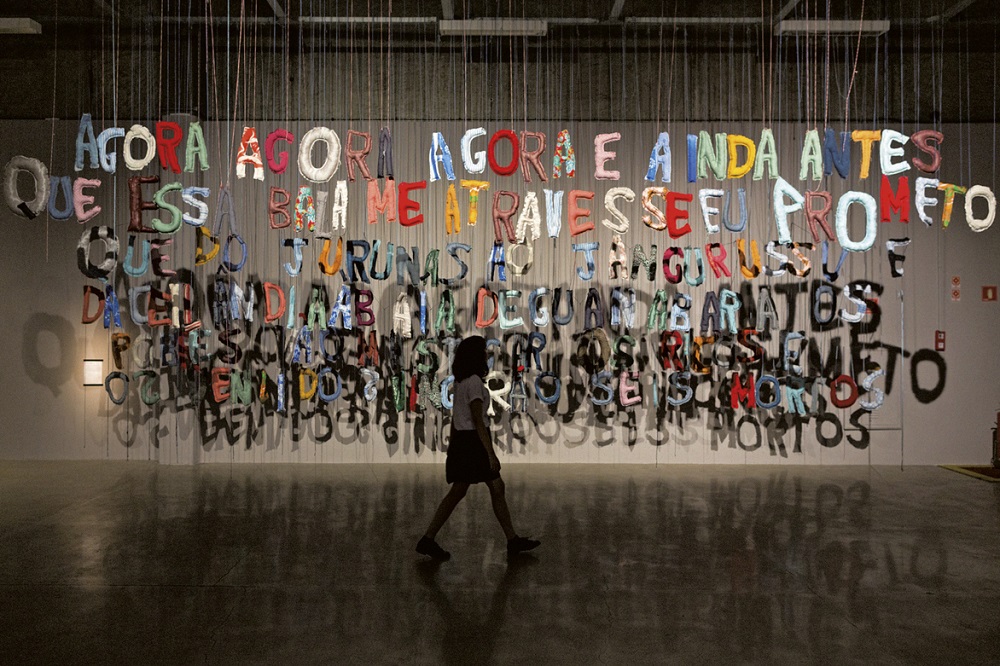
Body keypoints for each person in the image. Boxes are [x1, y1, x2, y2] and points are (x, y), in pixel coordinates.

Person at [417, 335, 540, 560]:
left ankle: (429, 539)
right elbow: (477, 421)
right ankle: (429, 538)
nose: (486, 354)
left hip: (464, 441)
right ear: (476, 356)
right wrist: (491, 454)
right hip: (473, 443)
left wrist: (452, 447)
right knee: (484, 487)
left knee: (479, 489)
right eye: (483, 351)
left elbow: (456, 418)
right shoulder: (473, 382)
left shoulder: (462, 382)